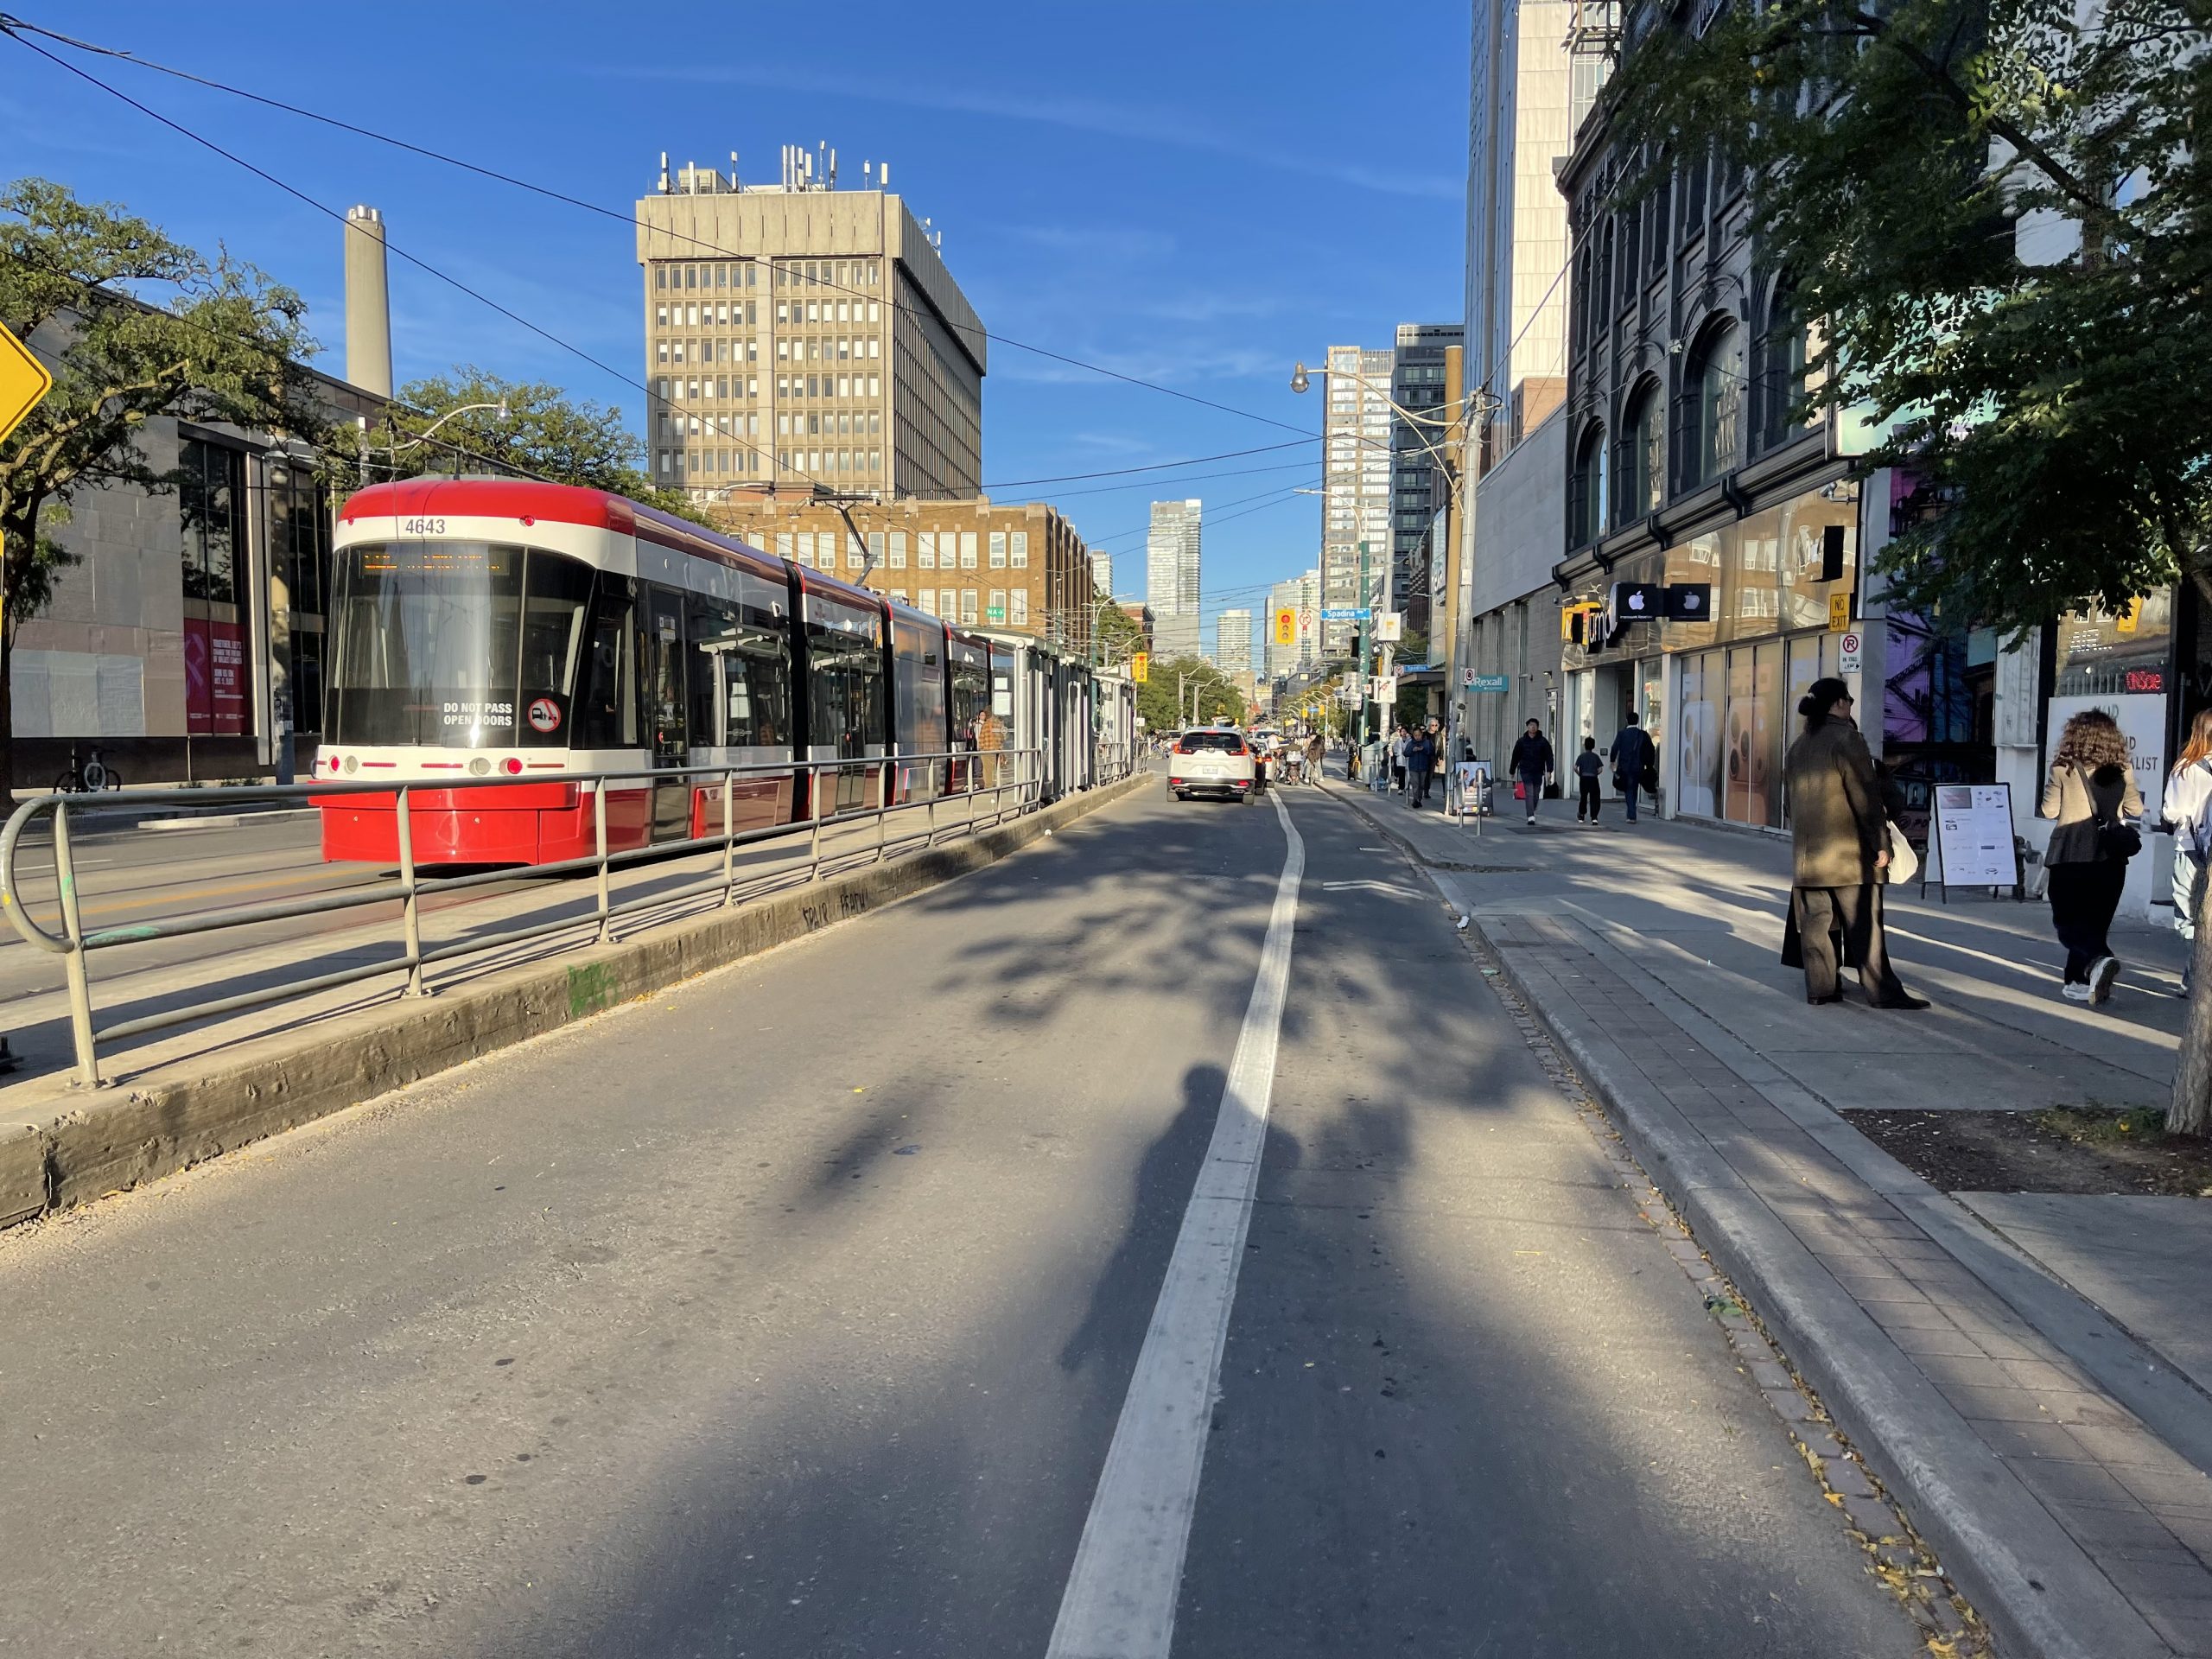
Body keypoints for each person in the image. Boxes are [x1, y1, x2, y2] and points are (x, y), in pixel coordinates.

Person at [1781, 678, 1927, 1008]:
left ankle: (1820, 990)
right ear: (1838, 703)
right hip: (1848, 856)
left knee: (1816, 928)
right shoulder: (1848, 740)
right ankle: (1881, 992)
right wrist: (1881, 843)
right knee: (1865, 927)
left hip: (1808, 860)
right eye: (1848, 700)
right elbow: (1865, 798)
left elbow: (1789, 807)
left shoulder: (1797, 748)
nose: (1850, 706)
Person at [2043, 708, 2143, 1004]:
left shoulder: (2063, 769)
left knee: (2067, 922)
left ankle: (2097, 961)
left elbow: (2049, 810)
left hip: (2069, 855)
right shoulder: (2122, 770)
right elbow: (2136, 809)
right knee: (2095, 923)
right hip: (2111, 859)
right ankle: (2081, 979)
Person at [2163, 710, 2212, 992]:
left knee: (2188, 919)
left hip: (2190, 849)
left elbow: (2173, 811)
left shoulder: (2186, 767)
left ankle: (2198, 978)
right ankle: (2192, 977)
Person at [1608, 710, 1656, 824]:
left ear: (1627, 721)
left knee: (1629, 789)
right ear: (1638, 721)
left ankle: (1631, 815)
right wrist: (1649, 765)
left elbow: (1614, 748)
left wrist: (1612, 761)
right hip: (1639, 767)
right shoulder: (1643, 734)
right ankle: (1632, 811)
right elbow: (1651, 750)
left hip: (1625, 767)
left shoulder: (1622, 734)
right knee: (1633, 788)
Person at [1510, 719, 1554, 826]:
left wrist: (1549, 770)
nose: (1532, 727)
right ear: (1527, 727)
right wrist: (1512, 770)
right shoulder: (1521, 742)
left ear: (1537, 727)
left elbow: (1549, 756)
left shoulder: (1543, 741)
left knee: (1536, 793)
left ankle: (1531, 808)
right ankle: (1530, 816)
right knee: (1529, 792)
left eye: (1534, 725)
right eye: (1530, 725)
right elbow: (1515, 756)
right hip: (1525, 770)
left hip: (1538, 771)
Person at [1574, 737, 1605, 823]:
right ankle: (1594, 817)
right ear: (1593, 746)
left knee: (1583, 797)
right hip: (1593, 779)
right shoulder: (1596, 757)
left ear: (1585, 746)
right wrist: (1595, 774)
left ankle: (1581, 815)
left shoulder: (1581, 756)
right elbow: (1600, 769)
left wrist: (1580, 774)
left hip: (1583, 778)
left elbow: (1575, 767)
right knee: (1594, 798)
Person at [1407, 723, 1437, 808]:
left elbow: (1432, 752)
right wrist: (1412, 750)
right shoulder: (1411, 743)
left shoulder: (1427, 742)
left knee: (1421, 785)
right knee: (1415, 784)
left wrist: (1423, 750)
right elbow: (1406, 753)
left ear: (1422, 734)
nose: (1417, 737)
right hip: (1413, 767)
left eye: (1419, 735)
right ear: (1413, 735)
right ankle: (1415, 800)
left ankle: (1419, 799)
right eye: (1416, 735)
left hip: (1423, 767)